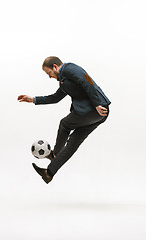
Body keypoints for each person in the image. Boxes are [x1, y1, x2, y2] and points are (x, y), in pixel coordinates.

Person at [18, 56, 111, 184]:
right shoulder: (64, 81)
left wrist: (96, 103)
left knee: (65, 124)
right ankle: (49, 173)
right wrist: (33, 99)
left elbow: (87, 81)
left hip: (96, 109)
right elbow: (55, 98)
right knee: (73, 142)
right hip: (98, 114)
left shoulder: (69, 68)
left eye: (49, 73)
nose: (49, 76)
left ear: (55, 67)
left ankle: (54, 154)